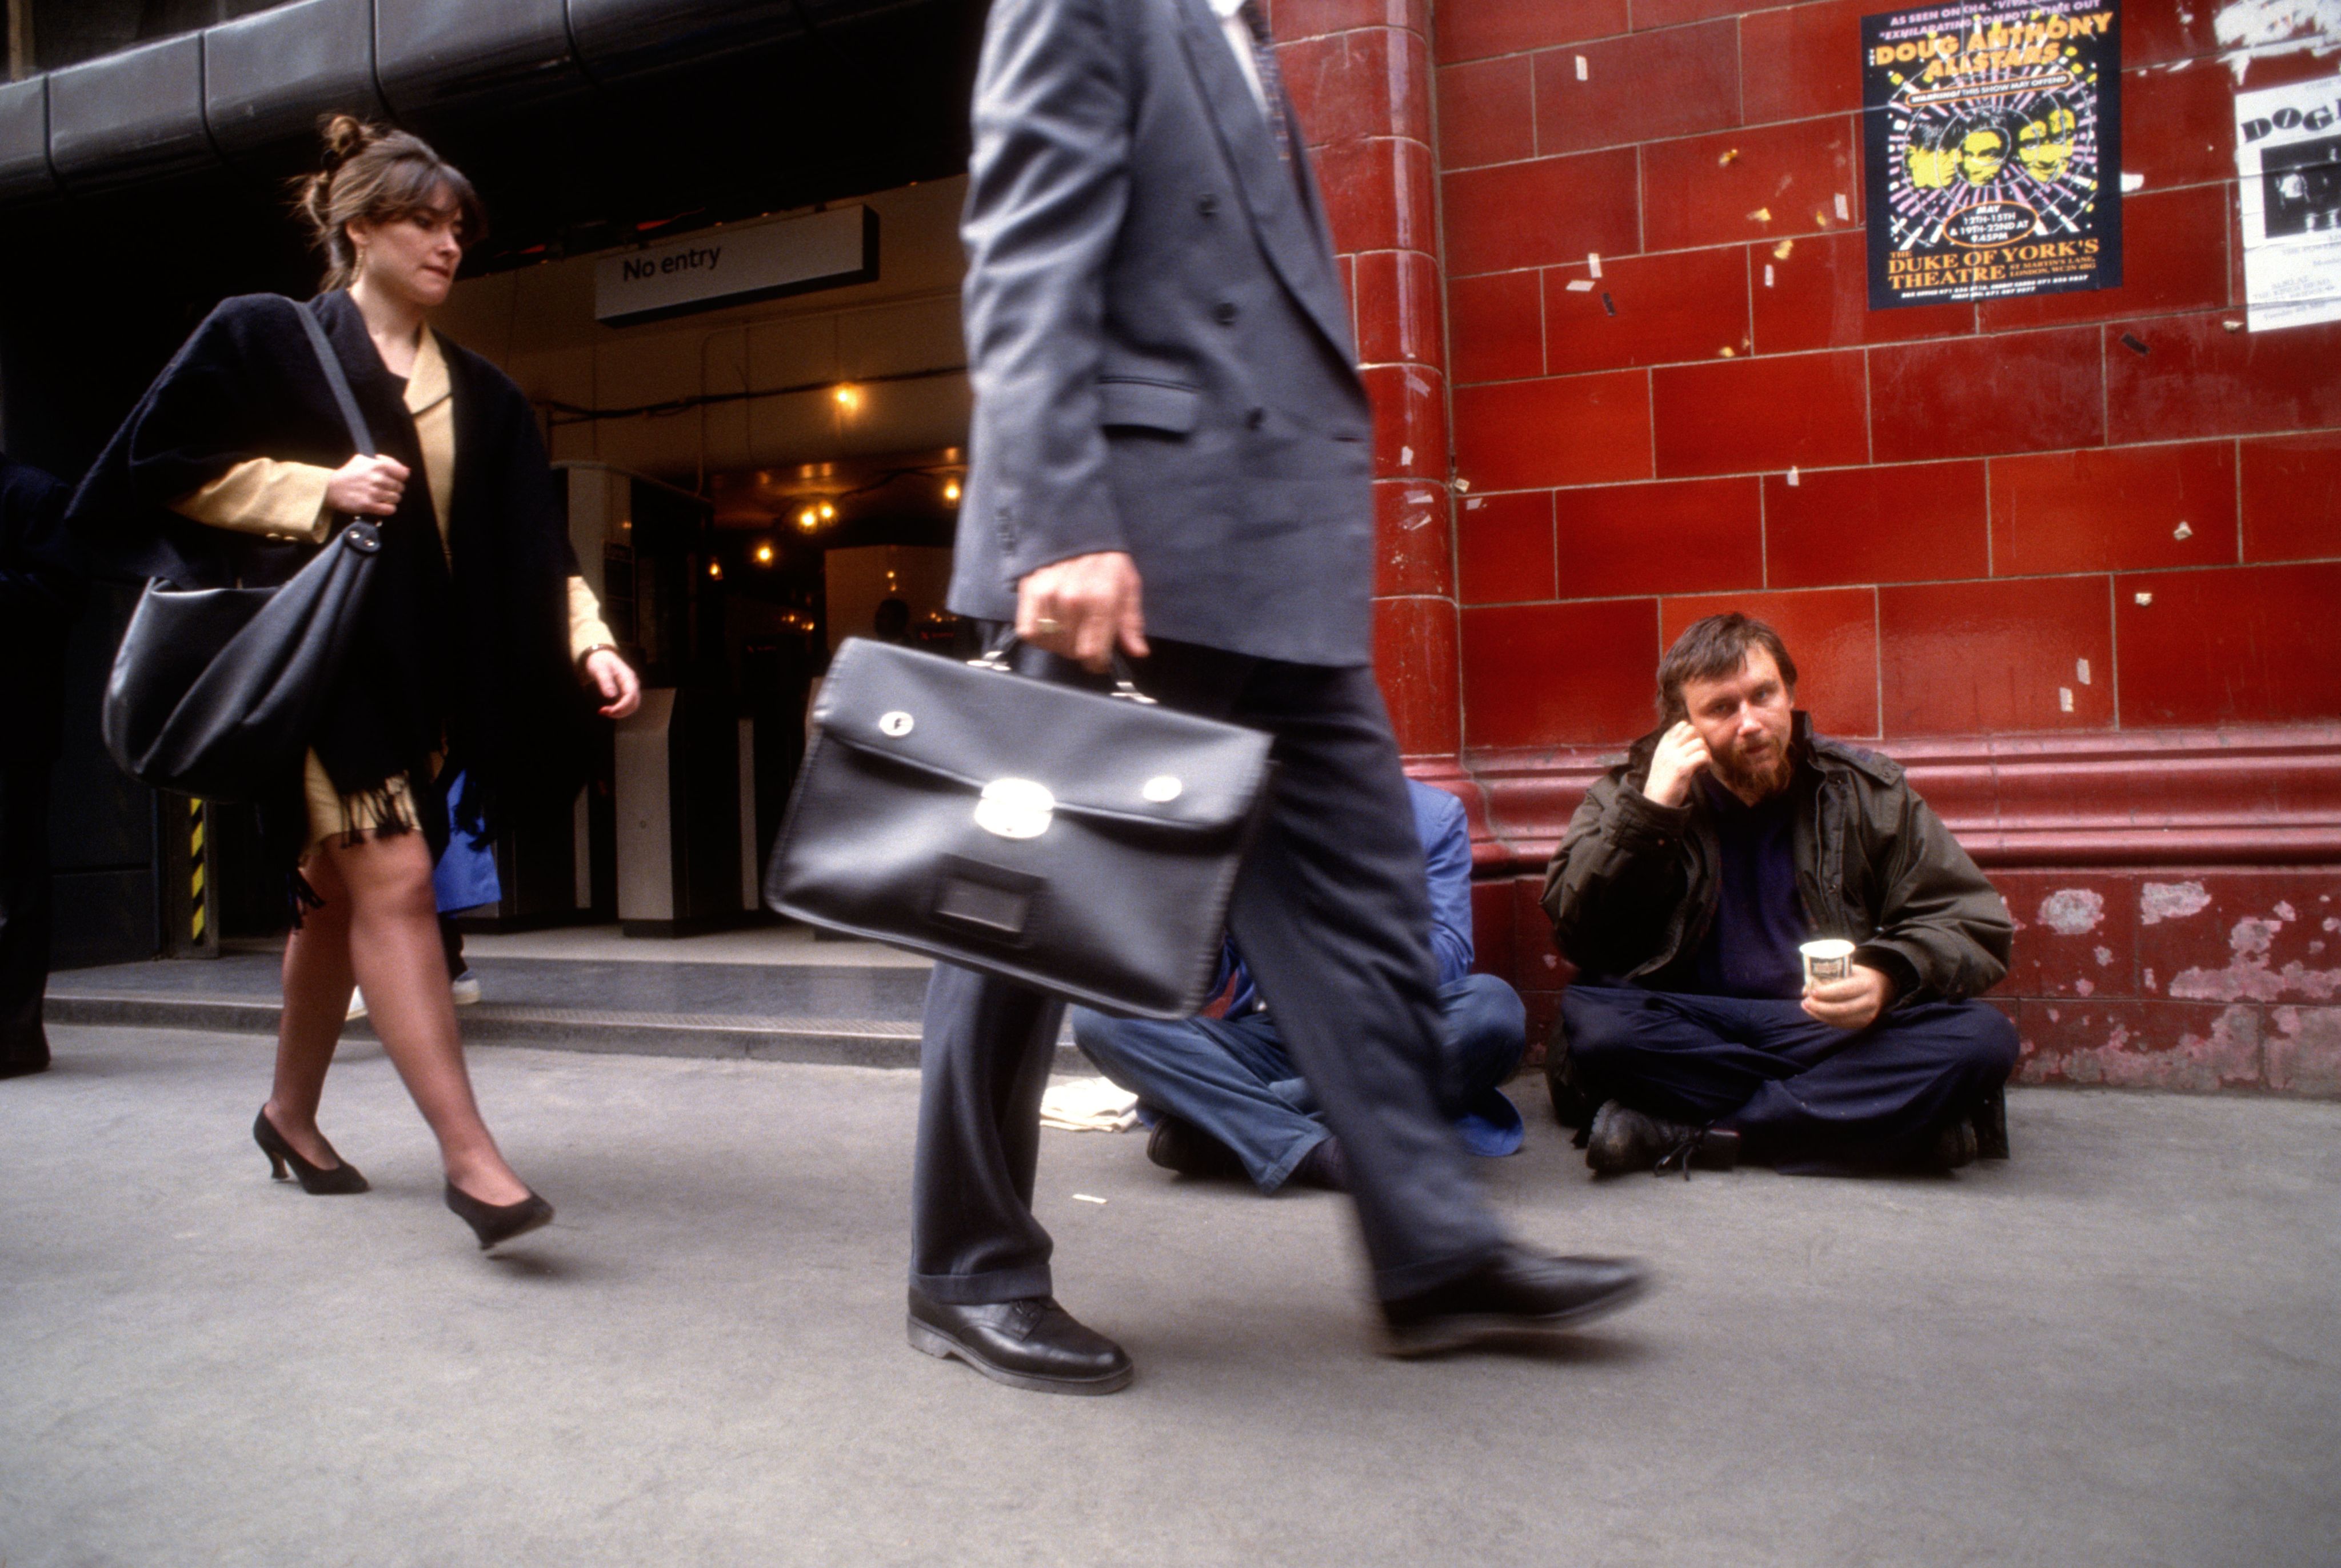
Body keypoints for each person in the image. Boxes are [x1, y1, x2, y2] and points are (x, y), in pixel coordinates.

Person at [906, 0, 1647, 1396]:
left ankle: (1432, 1252)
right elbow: (1025, 253)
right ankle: (968, 1269)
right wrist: (1055, 519)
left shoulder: (1241, 30)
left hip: (1270, 566)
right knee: (1019, 931)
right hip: (1126, 551)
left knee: (1364, 907)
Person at [67, 116, 642, 1249]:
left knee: (337, 903)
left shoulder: (481, 393)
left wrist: (590, 638)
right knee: (395, 881)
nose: (448, 243)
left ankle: (288, 1114)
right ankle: (472, 1161)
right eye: (425, 221)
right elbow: (153, 469)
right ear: (359, 226)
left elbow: (536, 548)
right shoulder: (262, 337)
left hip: (425, 683)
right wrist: (313, 489)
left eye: (459, 227)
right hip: (320, 669)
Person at [1543, 614, 2018, 1177]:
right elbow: (1581, 936)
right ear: (1682, 726)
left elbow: (1972, 921)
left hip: (1821, 1026)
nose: (1750, 723)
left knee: (1982, 1039)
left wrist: (1889, 974)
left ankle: (1694, 1131)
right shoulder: (1628, 795)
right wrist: (1651, 814)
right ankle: (1868, 1126)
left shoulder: (1861, 791)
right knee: (1596, 1023)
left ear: (1788, 691)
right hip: (1690, 1023)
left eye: (1762, 695)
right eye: (1721, 708)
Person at [1072, 778, 1527, 1193]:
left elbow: (1450, 959)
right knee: (1101, 1018)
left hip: (1388, 1033)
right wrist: (1198, 903)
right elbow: (1205, 986)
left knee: (1492, 1008)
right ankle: (1317, 1153)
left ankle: (1233, 1126)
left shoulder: (1432, 815)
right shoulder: (1245, 814)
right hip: (1279, 1038)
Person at [0, 454, 85, 1080]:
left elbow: (61, 598)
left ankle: (14, 1035)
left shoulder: (34, 493)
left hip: (10, 725)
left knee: (13, 880)